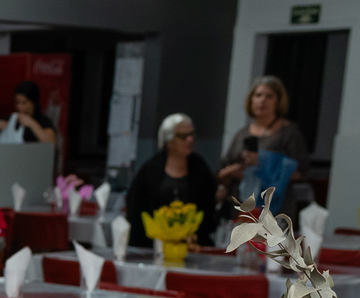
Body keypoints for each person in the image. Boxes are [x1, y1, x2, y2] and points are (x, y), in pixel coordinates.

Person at [218, 76, 309, 216]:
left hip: (275, 207)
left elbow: (301, 172)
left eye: (269, 96)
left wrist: (263, 162)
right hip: (243, 204)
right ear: (251, 100)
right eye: (258, 95)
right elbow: (226, 165)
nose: (262, 100)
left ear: (278, 101)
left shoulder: (289, 132)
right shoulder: (242, 134)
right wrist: (233, 172)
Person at [125, 114, 217, 247]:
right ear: (168, 140)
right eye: (183, 136)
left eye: (191, 135)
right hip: (153, 243)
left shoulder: (200, 168)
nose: (190, 140)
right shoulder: (151, 169)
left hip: (192, 243)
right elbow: (136, 208)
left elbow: (208, 208)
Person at [0, 80, 57, 144]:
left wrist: (31, 123)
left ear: (34, 103)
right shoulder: (11, 119)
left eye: (24, 103)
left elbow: (50, 142)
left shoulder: (43, 122)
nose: (19, 107)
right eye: (17, 102)